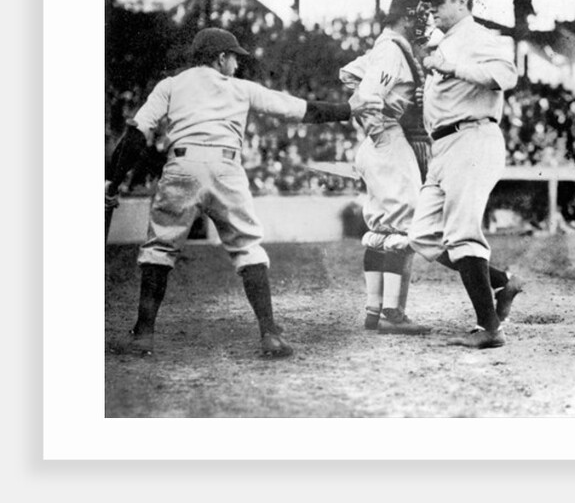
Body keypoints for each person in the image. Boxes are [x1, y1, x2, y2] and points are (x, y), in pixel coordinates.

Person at [106, 27, 382, 358]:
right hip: (226, 167)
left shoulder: (170, 85)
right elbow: (300, 109)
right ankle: (270, 334)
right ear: (221, 58)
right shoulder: (240, 88)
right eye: (234, 58)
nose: (236, 64)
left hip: (183, 164)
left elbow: (136, 133)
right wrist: (349, 109)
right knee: (248, 247)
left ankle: (143, 335)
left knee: (159, 249)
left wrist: (112, 179)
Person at [408, 0, 524, 350]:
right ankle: (502, 280)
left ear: (462, 2)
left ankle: (489, 326)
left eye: (440, 2)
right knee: (423, 236)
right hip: (443, 145)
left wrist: (454, 68)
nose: (432, 9)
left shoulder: (479, 38)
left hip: (472, 137)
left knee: (461, 235)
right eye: (431, 3)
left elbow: (508, 76)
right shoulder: (444, 44)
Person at [338, 0, 431, 335]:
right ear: (407, 16)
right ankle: (393, 312)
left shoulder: (386, 46)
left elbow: (348, 74)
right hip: (387, 140)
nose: (425, 19)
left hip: (379, 143)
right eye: (421, 13)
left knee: (380, 229)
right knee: (405, 223)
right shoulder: (393, 50)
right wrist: (379, 126)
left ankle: (373, 311)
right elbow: (367, 95)